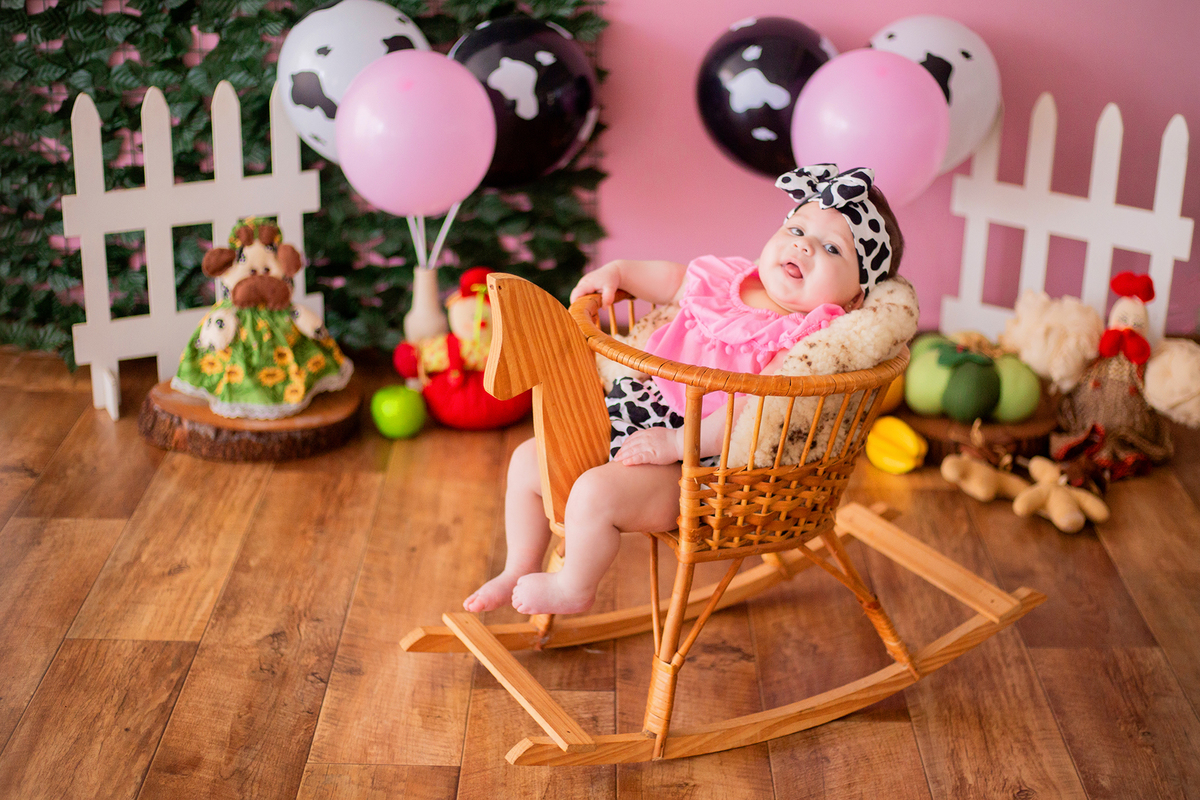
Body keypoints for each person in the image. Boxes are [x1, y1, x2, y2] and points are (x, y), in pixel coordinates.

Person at [464, 164, 905, 616]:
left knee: (595, 494)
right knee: (525, 462)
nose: (804, 245)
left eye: (832, 248)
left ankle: (575, 585)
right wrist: (619, 273)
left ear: (854, 299)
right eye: (797, 227)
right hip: (635, 412)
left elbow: (758, 409)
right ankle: (518, 565)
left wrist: (677, 442)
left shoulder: (808, 339)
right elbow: (673, 282)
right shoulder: (728, 278)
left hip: (697, 465)